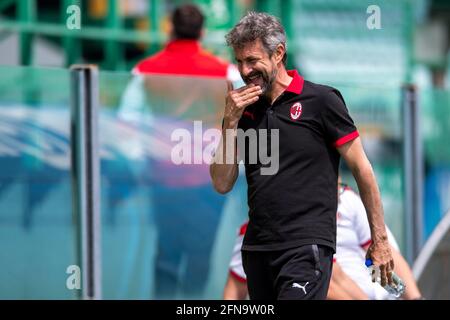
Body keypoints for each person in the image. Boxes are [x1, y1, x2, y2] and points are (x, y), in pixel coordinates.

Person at [210, 12, 394, 300]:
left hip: (306, 247)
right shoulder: (242, 110)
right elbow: (221, 183)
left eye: (252, 60)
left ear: (279, 53)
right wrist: (230, 122)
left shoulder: (321, 100)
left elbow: (362, 169)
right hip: (257, 251)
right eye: (240, 61)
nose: (245, 71)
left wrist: (380, 240)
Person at [117, 4, 241, 299]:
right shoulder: (225, 71)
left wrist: (142, 163)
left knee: (166, 252)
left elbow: (127, 122)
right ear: (202, 32)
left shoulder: (144, 70)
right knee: (202, 251)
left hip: (163, 175)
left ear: (170, 29)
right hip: (209, 177)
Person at [223, 182, 423, 300]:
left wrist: (415, 298)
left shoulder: (348, 202)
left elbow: (381, 260)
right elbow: (330, 283)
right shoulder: (259, 231)